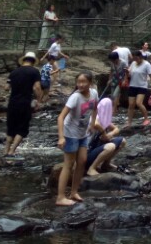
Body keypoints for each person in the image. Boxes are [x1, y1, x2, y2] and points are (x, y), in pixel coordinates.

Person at [56, 72, 98, 206]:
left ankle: (74, 192)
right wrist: (61, 137)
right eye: (78, 82)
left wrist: (92, 124)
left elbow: (95, 108)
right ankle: (60, 197)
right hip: (70, 134)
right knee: (68, 165)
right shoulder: (75, 97)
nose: (80, 84)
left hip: (83, 133)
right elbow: (60, 117)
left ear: (90, 83)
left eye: (83, 82)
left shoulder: (94, 93)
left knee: (82, 161)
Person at [5, 52, 43, 156]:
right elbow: (37, 87)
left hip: (12, 102)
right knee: (22, 128)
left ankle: (5, 151)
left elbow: (6, 88)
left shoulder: (14, 72)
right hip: (25, 103)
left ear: (24, 60)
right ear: (33, 61)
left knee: (11, 128)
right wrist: (38, 101)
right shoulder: (34, 72)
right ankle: (12, 151)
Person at [86, 99, 124, 177]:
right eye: (113, 107)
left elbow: (116, 129)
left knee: (122, 141)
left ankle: (106, 164)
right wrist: (103, 132)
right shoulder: (95, 117)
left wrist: (110, 134)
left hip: (96, 147)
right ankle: (91, 168)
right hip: (87, 152)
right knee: (111, 146)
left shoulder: (104, 119)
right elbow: (95, 124)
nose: (114, 110)